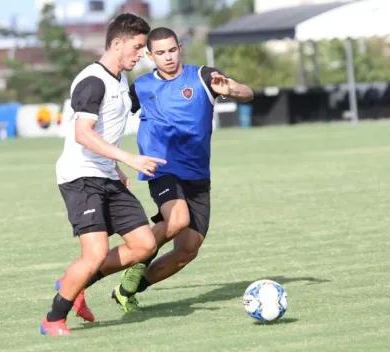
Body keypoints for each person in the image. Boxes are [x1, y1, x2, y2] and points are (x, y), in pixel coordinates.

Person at [109, 27, 255, 312]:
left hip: (198, 175)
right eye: (160, 53)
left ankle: (129, 288)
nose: (168, 57)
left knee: (187, 251)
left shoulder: (203, 76)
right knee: (176, 221)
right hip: (161, 168)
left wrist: (231, 90)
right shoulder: (140, 87)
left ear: (181, 47)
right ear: (150, 56)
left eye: (172, 50)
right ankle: (136, 259)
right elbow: (112, 120)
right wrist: (113, 161)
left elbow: (247, 93)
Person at [39, 14, 166, 336]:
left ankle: (77, 282)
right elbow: (83, 133)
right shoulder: (93, 81)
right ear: (118, 43)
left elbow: (106, 133)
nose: (141, 54)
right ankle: (53, 319)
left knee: (144, 244)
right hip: (81, 177)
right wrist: (129, 159)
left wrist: (118, 168)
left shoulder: (120, 79)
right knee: (94, 253)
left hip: (107, 173)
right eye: (138, 47)